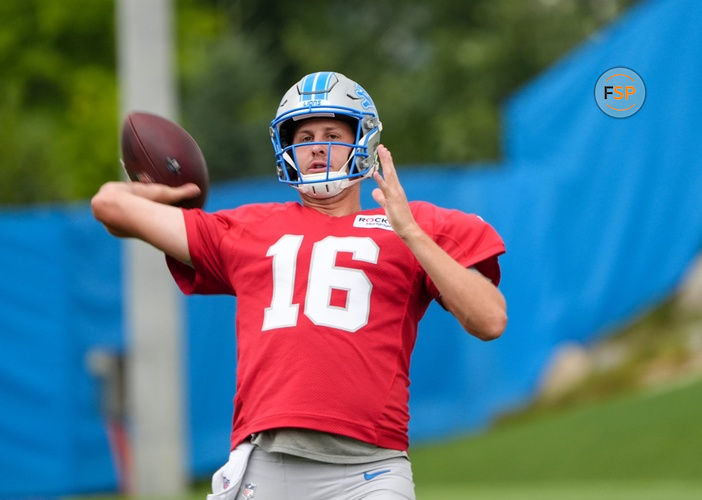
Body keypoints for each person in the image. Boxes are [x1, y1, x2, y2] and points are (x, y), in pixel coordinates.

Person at [92, 71, 507, 500]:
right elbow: (109, 203)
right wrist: (174, 195)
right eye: (305, 136)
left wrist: (413, 235)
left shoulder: (412, 224)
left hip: (370, 470)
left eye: (332, 132)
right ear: (287, 147)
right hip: (266, 465)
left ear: (363, 141)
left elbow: (490, 318)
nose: (318, 146)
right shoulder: (248, 228)